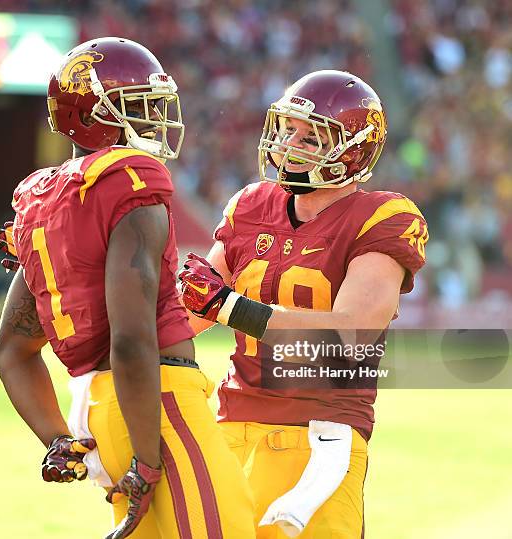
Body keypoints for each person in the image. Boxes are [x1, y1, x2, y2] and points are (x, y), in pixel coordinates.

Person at [0, 37, 255, 539]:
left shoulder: (44, 200)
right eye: (139, 105)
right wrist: (149, 458)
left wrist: (57, 439)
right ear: (93, 111)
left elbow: (11, 352)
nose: (156, 117)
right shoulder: (130, 180)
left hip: (99, 412)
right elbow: (133, 341)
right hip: (158, 404)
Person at [179, 70, 428, 538]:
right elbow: (190, 311)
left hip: (320, 432)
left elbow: (350, 331)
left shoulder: (383, 215)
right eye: (288, 128)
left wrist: (230, 307)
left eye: (311, 136)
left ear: (352, 150)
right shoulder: (251, 203)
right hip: (230, 424)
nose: (288, 143)